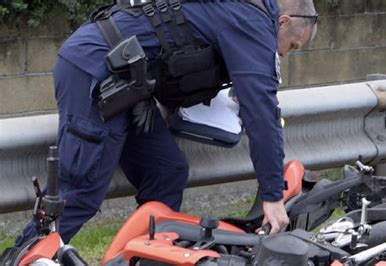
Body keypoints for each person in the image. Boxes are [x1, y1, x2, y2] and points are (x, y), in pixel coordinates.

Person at [14, 0, 318, 247]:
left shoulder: (236, 9)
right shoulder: (251, 19)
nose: (282, 54)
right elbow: (262, 109)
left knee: (166, 171)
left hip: (127, 86)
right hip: (95, 71)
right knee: (81, 192)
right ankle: (20, 257)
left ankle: (145, 255)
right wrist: (272, 196)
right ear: (283, 21)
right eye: (291, 46)